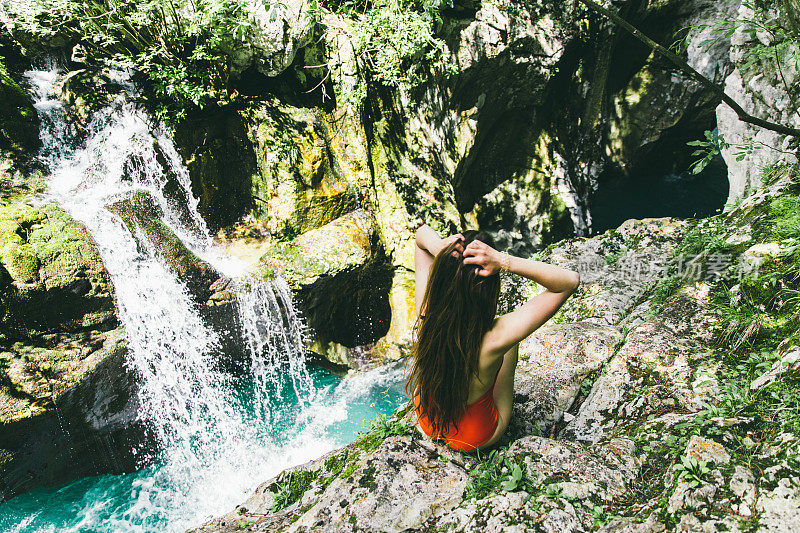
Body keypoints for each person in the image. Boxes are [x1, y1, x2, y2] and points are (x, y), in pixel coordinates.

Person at [407, 224, 580, 452]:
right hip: (472, 437)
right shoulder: (495, 338)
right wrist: (503, 261)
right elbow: (569, 282)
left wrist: (440, 247)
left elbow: (421, 235)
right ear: (487, 289)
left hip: (428, 420)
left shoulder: (425, 311)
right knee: (509, 345)